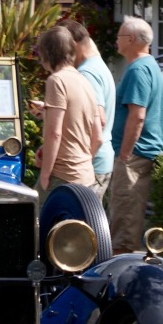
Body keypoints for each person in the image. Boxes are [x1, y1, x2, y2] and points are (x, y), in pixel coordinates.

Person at [108, 16, 163, 254]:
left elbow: (138, 115)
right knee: (129, 222)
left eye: (119, 36)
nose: (116, 40)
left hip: (135, 156)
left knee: (124, 227)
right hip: (143, 153)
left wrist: (124, 154)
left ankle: (120, 282)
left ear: (131, 40)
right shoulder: (150, 65)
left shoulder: (138, 69)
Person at [33, 26, 102, 199]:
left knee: (34, 221)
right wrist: (84, 162)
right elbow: (97, 136)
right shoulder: (85, 81)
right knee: (79, 226)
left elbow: (54, 134)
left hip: (61, 176)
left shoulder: (56, 80)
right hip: (86, 177)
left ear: (48, 54)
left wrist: (45, 174)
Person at [59, 19, 116, 201]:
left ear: (74, 45)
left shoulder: (87, 73)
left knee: (83, 225)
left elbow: (98, 122)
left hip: (92, 163)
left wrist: (83, 163)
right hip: (101, 160)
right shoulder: (98, 66)